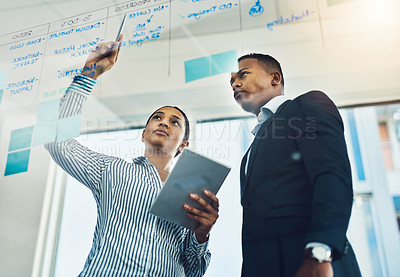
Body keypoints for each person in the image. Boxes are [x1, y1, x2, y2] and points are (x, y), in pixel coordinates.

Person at [45, 36, 219, 276]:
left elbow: (193, 271)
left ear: (184, 145)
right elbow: (58, 143)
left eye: (174, 122)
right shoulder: (112, 170)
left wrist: (202, 234)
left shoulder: (194, 196)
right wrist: (89, 74)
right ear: (143, 134)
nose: (164, 123)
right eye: (157, 118)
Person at [230, 53, 362, 277]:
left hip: (310, 262)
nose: (235, 83)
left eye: (243, 74)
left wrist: (320, 250)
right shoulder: (252, 148)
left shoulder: (307, 106)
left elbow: (331, 175)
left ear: (275, 78)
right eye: (232, 80)